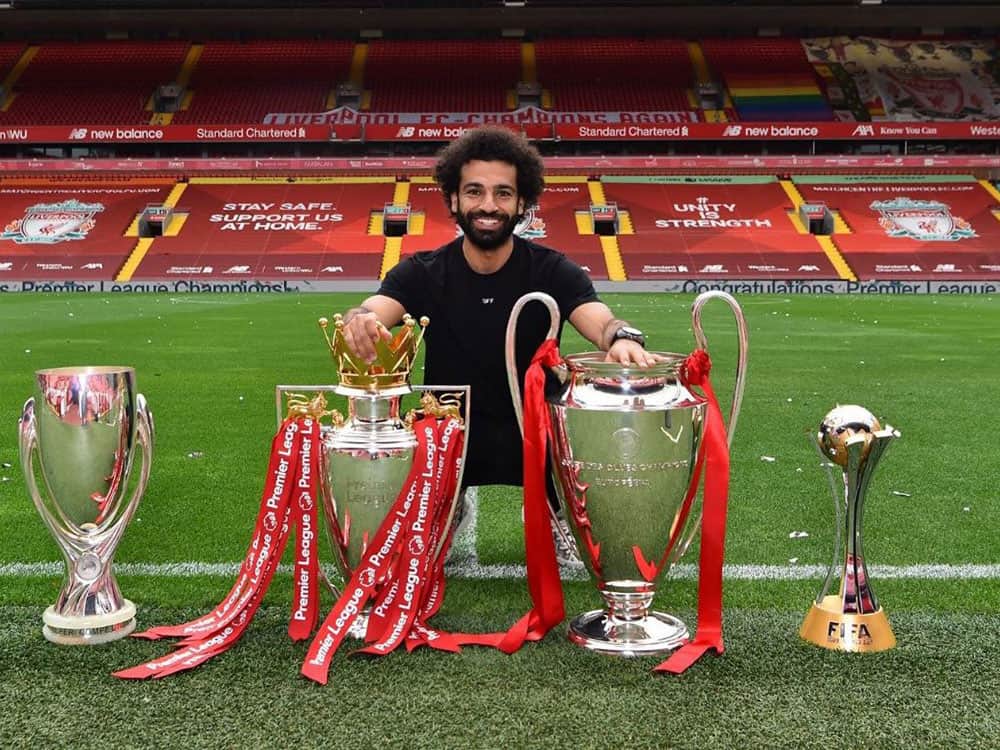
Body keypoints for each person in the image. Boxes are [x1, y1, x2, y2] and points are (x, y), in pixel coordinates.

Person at [339, 126, 655, 562]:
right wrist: (360, 322)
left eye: (503, 193)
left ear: (522, 202)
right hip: (450, 429)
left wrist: (621, 337)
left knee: (565, 431)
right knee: (430, 454)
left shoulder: (552, 270)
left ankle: (555, 508)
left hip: (534, 427)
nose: (488, 205)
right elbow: (372, 309)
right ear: (453, 199)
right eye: (474, 192)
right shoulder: (422, 271)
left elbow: (598, 320)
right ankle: (448, 506)